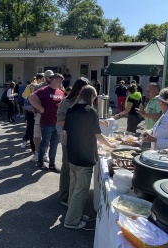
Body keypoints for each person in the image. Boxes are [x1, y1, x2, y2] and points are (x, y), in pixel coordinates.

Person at [63, 85, 116, 229]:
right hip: (84, 155)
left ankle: (75, 213)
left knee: (74, 185)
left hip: (73, 153)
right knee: (81, 188)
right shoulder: (90, 111)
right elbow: (97, 135)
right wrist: (111, 146)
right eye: (95, 97)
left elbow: (67, 131)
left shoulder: (72, 109)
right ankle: (71, 221)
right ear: (91, 96)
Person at [57, 78, 90, 206]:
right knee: (66, 167)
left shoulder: (87, 102)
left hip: (83, 140)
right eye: (85, 89)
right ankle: (64, 196)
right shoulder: (66, 102)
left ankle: (74, 195)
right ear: (79, 89)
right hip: (68, 139)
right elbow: (59, 121)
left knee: (78, 170)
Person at [29, 73, 65, 172]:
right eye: (59, 81)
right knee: (44, 143)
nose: (61, 83)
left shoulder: (60, 92)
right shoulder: (44, 90)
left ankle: (52, 164)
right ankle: (40, 161)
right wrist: (40, 108)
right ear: (54, 80)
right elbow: (31, 97)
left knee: (54, 145)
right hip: (46, 122)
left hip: (57, 123)